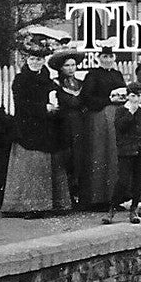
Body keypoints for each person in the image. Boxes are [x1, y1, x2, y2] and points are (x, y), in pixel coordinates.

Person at [1, 46, 70, 217]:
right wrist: (43, 108)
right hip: (27, 129)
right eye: (32, 59)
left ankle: (51, 204)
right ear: (27, 60)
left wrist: (56, 106)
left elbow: (59, 98)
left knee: (48, 165)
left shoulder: (49, 80)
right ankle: (27, 206)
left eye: (39, 59)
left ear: (43, 61)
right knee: (31, 165)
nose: (35, 62)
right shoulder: (20, 80)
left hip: (46, 128)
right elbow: (22, 105)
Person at [77, 45, 126, 209]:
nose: (108, 60)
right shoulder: (93, 75)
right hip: (100, 118)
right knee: (101, 154)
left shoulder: (117, 74)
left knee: (114, 156)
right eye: (104, 57)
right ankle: (98, 198)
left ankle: (115, 197)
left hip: (116, 117)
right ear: (99, 59)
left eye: (110, 57)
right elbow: (87, 97)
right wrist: (108, 100)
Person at [112, 82, 141, 224]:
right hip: (126, 150)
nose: (136, 99)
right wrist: (131, 113)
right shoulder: (121, 111)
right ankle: (112, 208)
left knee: (139, 181)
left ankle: (134, 208)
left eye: (139, 96)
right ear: (128, 96)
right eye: (133, 96)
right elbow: (120, 127)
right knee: (123, 180)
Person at [49, 50, 85, 201]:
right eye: (67, 66)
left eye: (73, 65)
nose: (71, 68)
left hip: (79, 124)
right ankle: (67, 194)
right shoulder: (55, 84)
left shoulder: (80, 84)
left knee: (79, 157)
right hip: (63, 124)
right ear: (60, 68)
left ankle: (78, 192)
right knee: (67, 157)